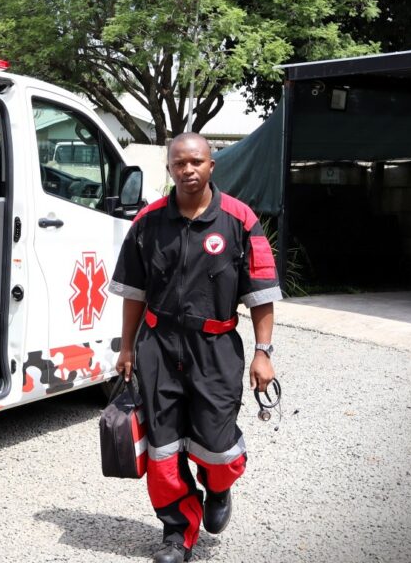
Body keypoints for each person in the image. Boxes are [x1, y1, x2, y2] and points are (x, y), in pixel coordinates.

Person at [109, 132, 280, 563]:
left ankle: (218, 488)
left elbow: (260, 294)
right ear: (169, 170)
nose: (188, 170)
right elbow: (134, 291)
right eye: (179, 164)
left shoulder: (240, 221)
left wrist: (264, 352)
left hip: (216, 348)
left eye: (196, 162)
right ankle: (176, 532)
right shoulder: (147, 222)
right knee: (163, 448)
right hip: (158, 347)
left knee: (218, 447)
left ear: (211, 166)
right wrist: (127, 347)